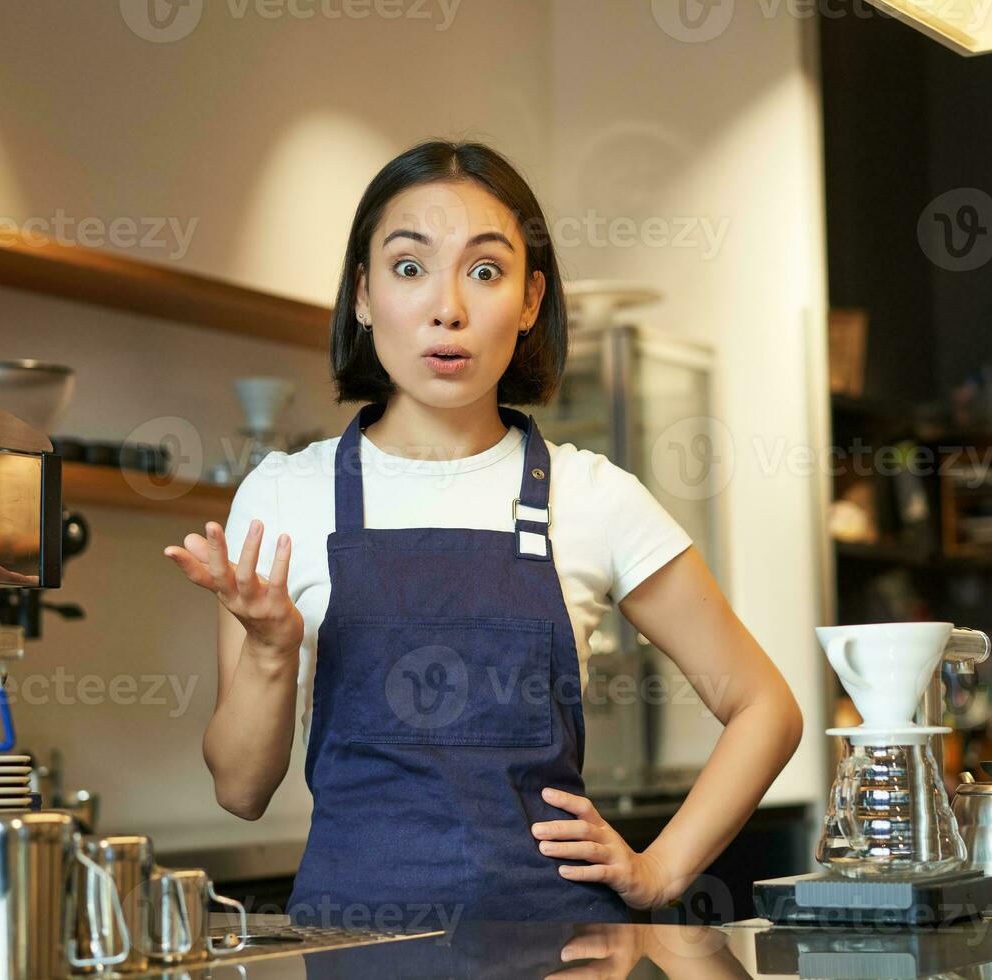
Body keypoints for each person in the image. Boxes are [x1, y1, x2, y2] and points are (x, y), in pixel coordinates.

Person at [164, 139, 802, 929]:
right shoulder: (284, 494)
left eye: (485, 270)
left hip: (560, 949)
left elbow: (765, 705)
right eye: (409, 268)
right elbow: (240, 791)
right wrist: (270, 651)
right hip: (349, 950)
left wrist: (660, 869)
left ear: (531, 300)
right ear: (361, 295)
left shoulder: (596, 496)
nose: (447, 308)